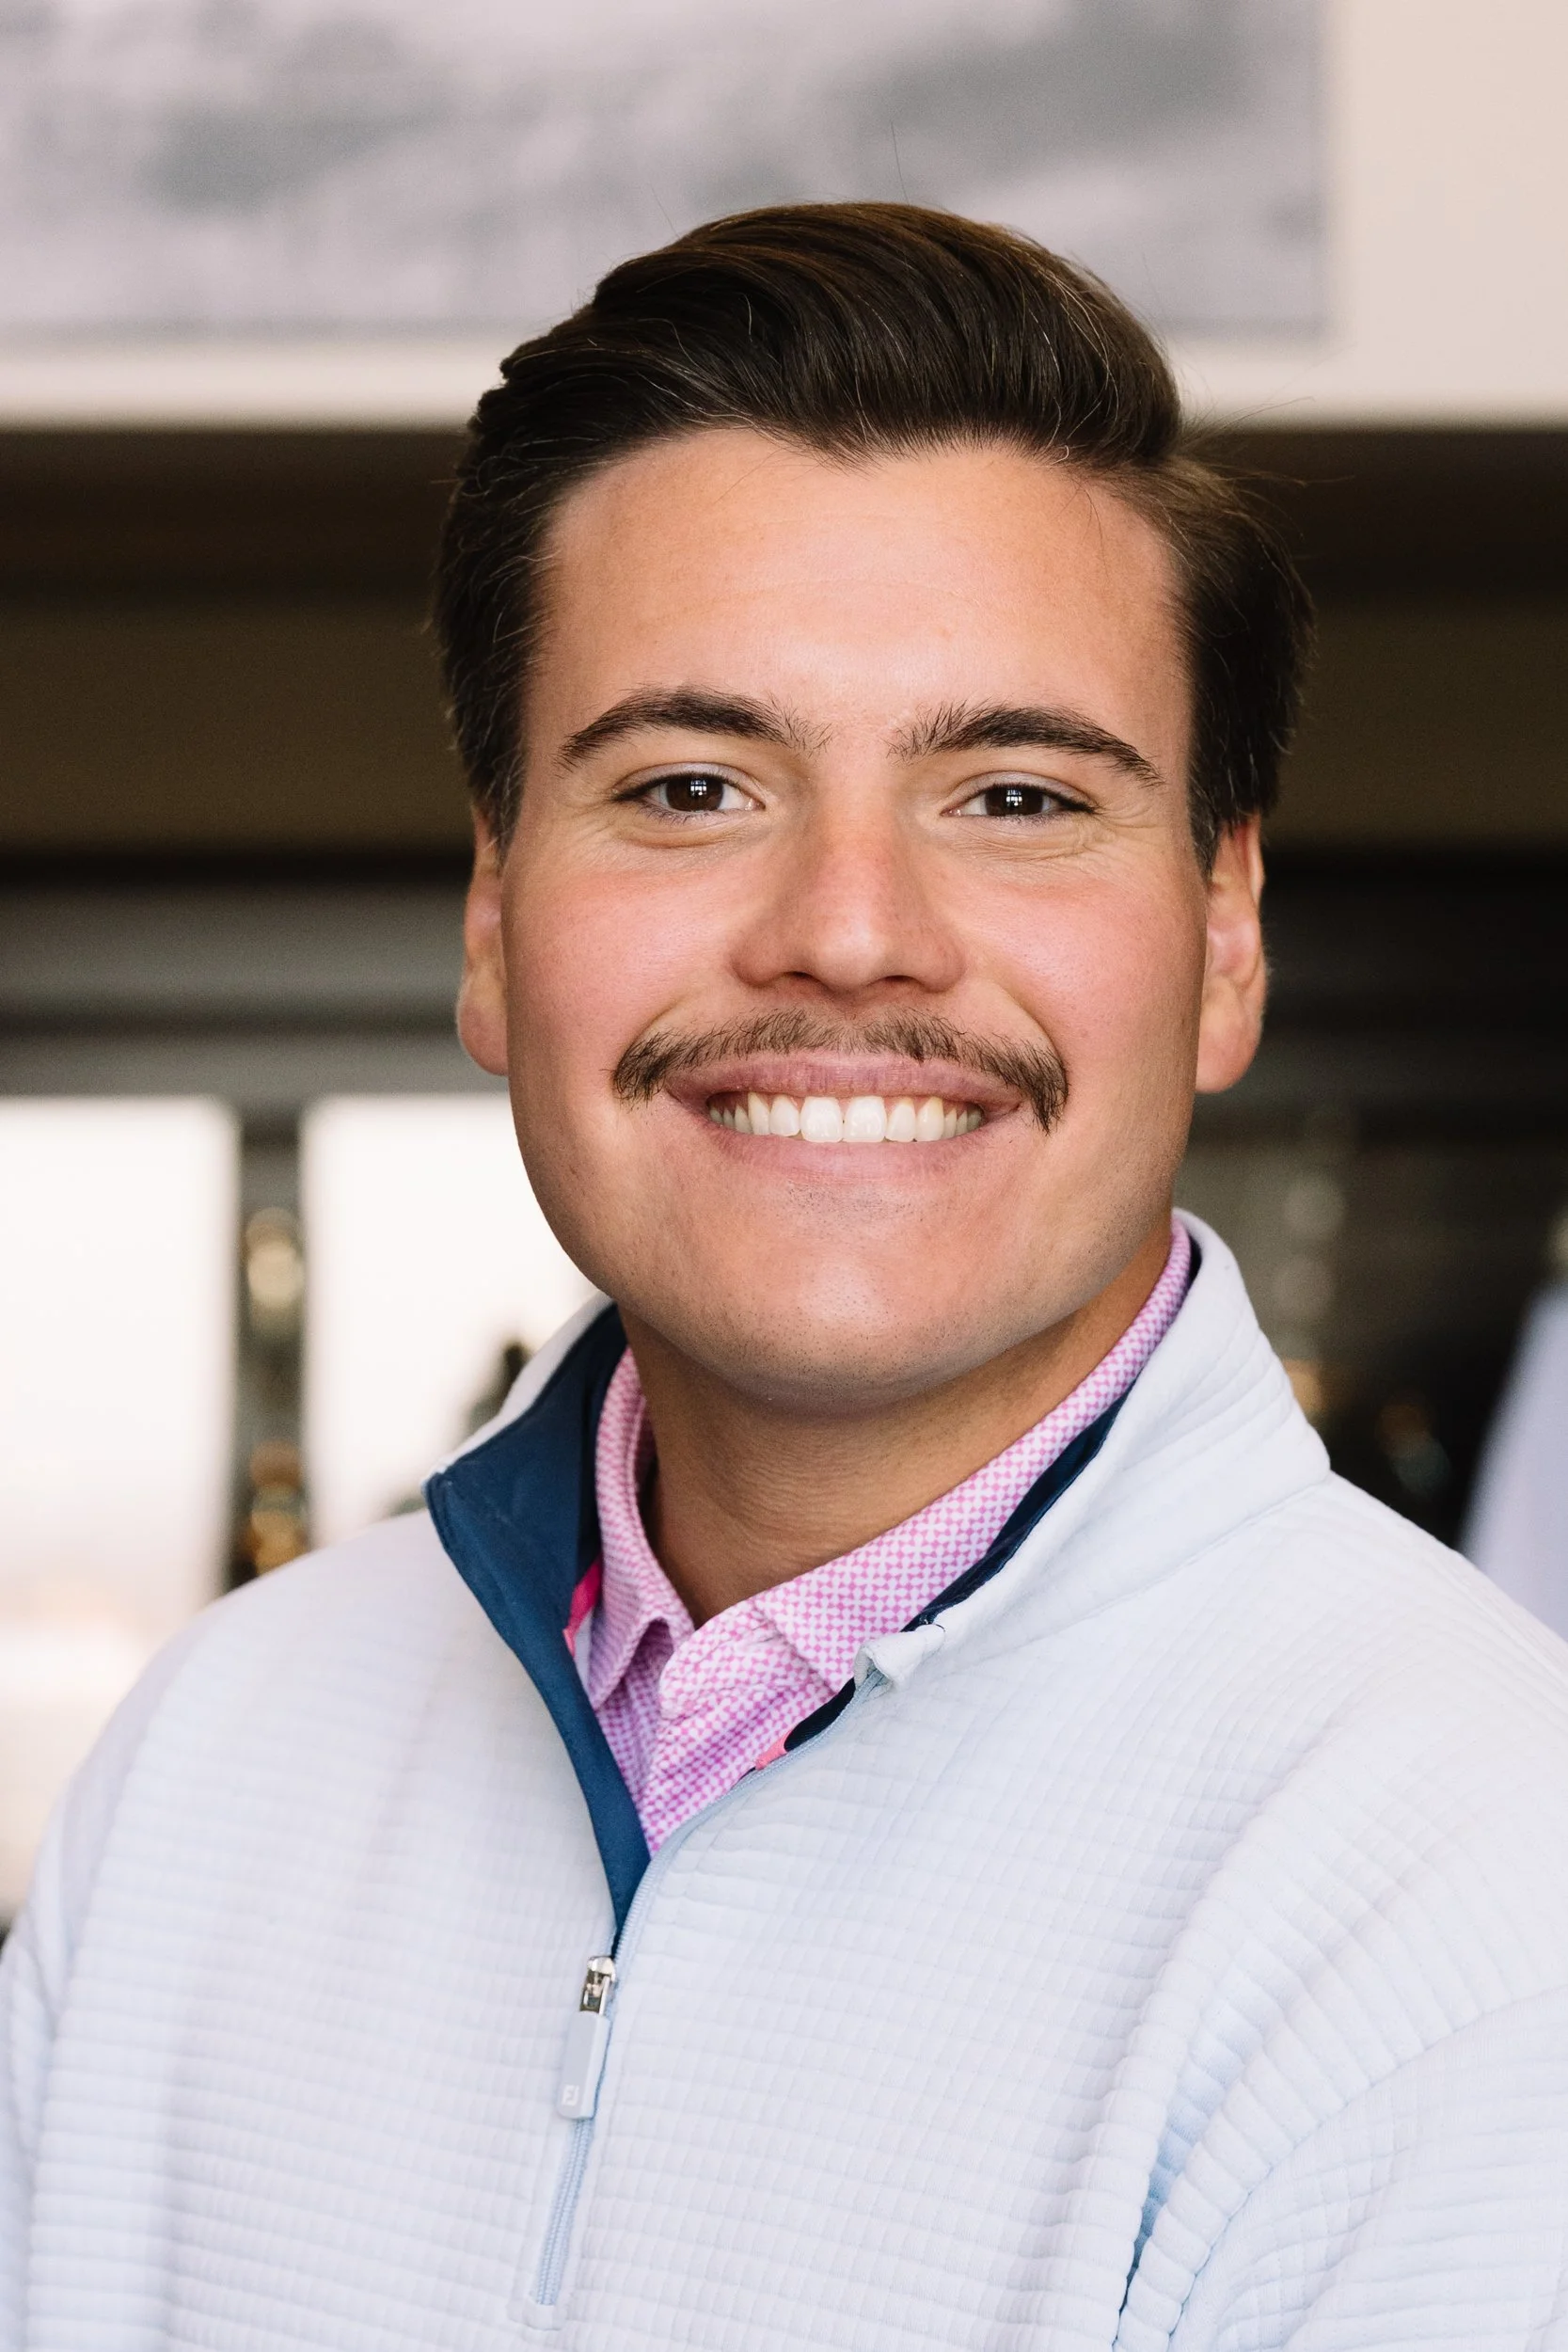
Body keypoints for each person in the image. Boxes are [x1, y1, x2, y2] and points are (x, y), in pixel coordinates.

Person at [5, 205, 1568, 2352]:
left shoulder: (1475, 1880)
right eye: (689, 784)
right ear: (490, 919)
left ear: (1221, 936)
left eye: (1012, 792)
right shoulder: (219, 1755)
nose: (847, 928)